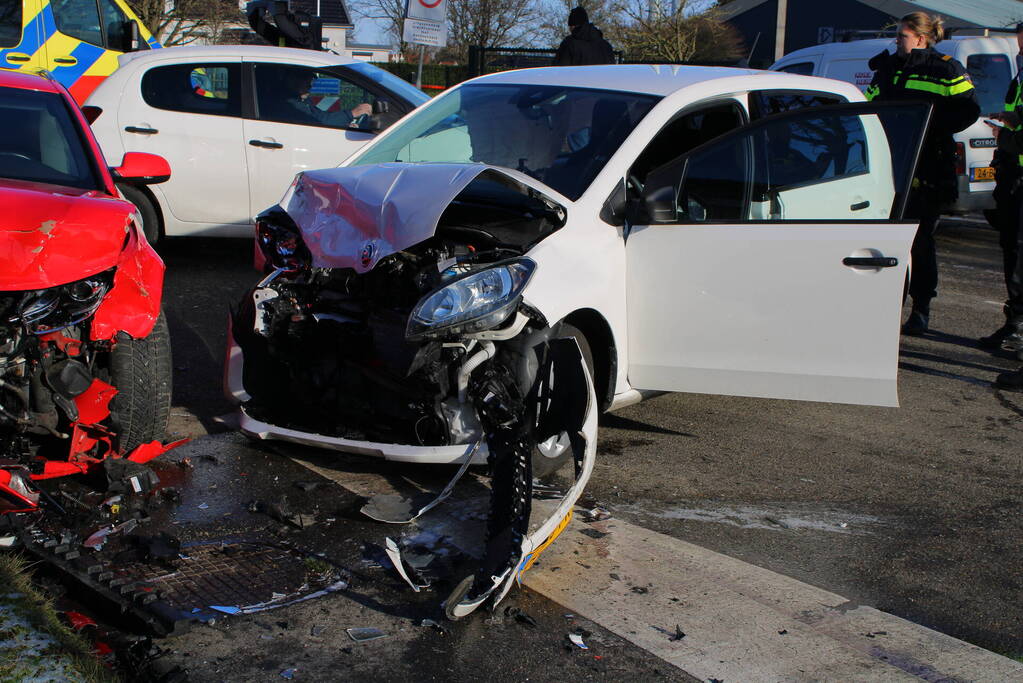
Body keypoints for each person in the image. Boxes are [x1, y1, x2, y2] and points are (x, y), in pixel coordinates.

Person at [866, 12, 980, 336]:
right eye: (897, 36)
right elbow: (870, 106)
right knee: (886, 237)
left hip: (928, 165)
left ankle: (921, 308)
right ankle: (886, 303)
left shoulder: (944, 69)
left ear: (920, 37)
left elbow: (970, 108)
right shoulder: (888, 68)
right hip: (890, 164)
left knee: (919, 240)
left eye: (902, 36)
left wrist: (928, 130)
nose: (897, 42)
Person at [981, 23, 1023, 354]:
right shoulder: (1020, 73)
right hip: (1013, 174)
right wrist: (1010, 117)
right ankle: (1014, 323)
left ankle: (1018, 330)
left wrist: (1004, 135)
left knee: (1018, 255)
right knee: (1011, 250)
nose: (1020, 52)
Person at [283, 70, 371, 127]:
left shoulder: (304, 101)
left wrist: (346, 124)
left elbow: (321, 116)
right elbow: (320, 122)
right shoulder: (290, 104)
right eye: (306, 82)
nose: (310, 87)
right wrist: (352, 114)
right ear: (292, 80)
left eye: (310, 82)